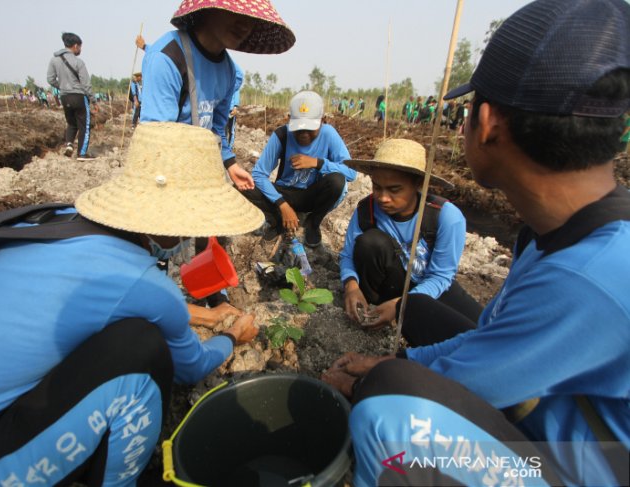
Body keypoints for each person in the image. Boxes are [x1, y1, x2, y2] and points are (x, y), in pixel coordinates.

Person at [322, 1, 630, 485]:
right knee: (400, 360)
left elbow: (467, 379)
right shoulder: (562, 234)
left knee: (387, 401)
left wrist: (375, 378)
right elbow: (493, 343)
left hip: (576, 468)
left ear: (486, 124)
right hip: (554, 430)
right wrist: (392, 354)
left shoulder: (586, 277)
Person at [0, 122, 263, 485]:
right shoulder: (146, 284)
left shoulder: (50, 222)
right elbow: (192, 367)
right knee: (142, 350)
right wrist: (231, 336)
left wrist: (206, 315)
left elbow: (120, 299)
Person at [136, 0, 295, 192]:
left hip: (199, 171)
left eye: (251, 18)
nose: (244, 25)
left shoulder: (229, 70)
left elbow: (216, 129)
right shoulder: (169, 57)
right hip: (164, 176)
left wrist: (230, 164)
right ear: (210, 9)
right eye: (237, 13)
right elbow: (156, 140)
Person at [339, 138, 482, 332]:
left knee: (479, 327)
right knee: (370, 242)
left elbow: (440, 276)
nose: (383, 198)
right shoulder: (368, 210)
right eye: (377, 187)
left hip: (429, 285)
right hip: (388, 283)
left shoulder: (446, 217)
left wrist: (402, 305)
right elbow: (348, 255)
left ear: (418, 184)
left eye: (394, 189)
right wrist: (351, 286)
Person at [242, 91, 356, 247]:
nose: (304, 134)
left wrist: (318, 163)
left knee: (337, 181)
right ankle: (277, 219)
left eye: (310, 129)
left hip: (311, 194)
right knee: (243, 187)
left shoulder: (329, 134)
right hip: (286, 192)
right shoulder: (282, 135)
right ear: (289, 120)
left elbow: (351, 172)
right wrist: (282, 204)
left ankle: (313, 223)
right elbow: (259, 175)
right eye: (299, 129)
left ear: (323, 121)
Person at [47, 32, 98, 161]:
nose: (80, 50)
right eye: (80, 47)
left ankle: (69, 144)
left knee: (71, 123)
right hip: (79, 97)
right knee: (84, 125)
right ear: (75, 46)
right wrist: (94, 100)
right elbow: (86, 84)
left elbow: (50, 79)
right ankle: (82, 153)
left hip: (64, 97)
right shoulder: (78, 62)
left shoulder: (54, 60)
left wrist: (62, 86)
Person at [225, 62, 244, 147]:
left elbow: (236, 92)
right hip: (223, 109)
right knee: (222, 129)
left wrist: (235, 107)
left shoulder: (235, 81)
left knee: (231, 130)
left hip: (231, 109)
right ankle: (223, 146)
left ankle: (230, 147)